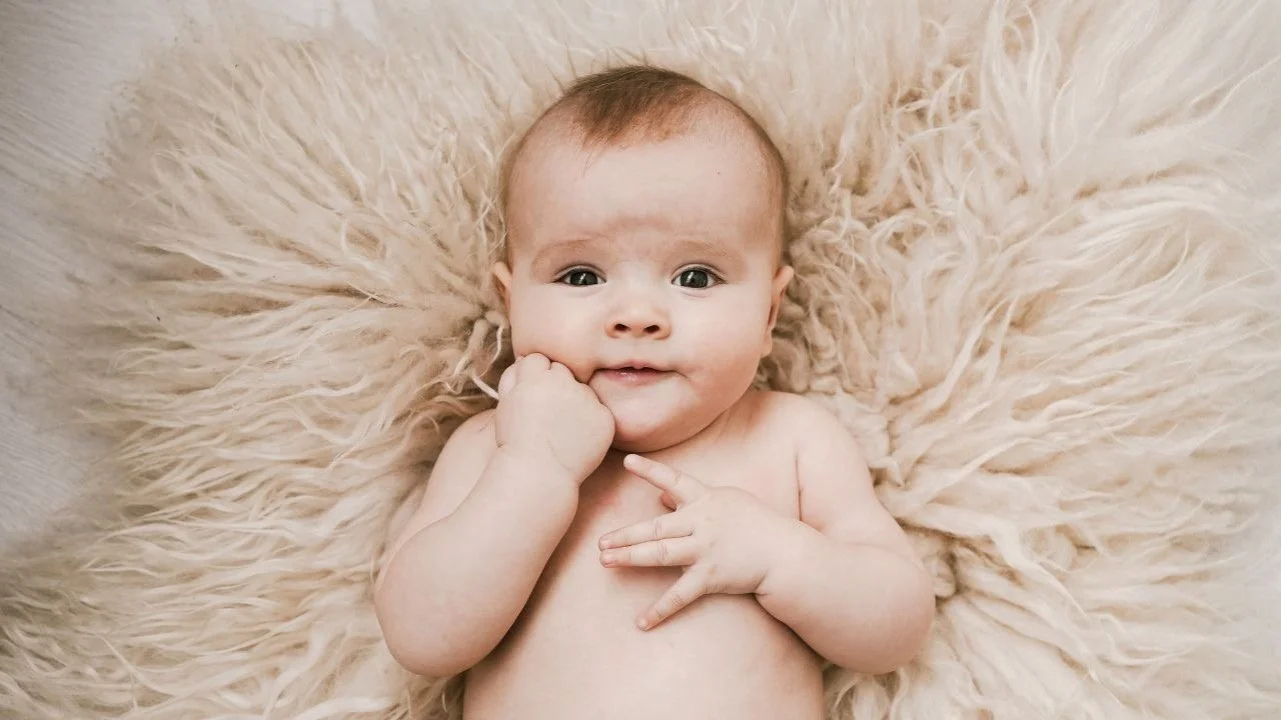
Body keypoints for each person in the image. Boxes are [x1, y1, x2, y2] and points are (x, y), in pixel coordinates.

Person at [374, 65, 934, 719]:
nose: (636, 315)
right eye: (581, 276)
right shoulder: (493, 447)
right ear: (511, 301)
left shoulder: (790, 439)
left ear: (769, 314)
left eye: (694, 277)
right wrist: (533, 473)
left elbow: (896, 627)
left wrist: (781, 558)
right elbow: (420, 638)